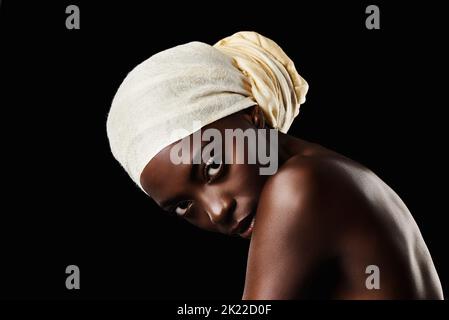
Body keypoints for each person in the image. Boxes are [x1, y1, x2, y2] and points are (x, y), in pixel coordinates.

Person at [106, 31, 443, 299]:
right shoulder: (328, 173)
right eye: (182, 206)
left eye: (213, 166)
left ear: (253, 118)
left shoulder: (300, 186)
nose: (217, 210)